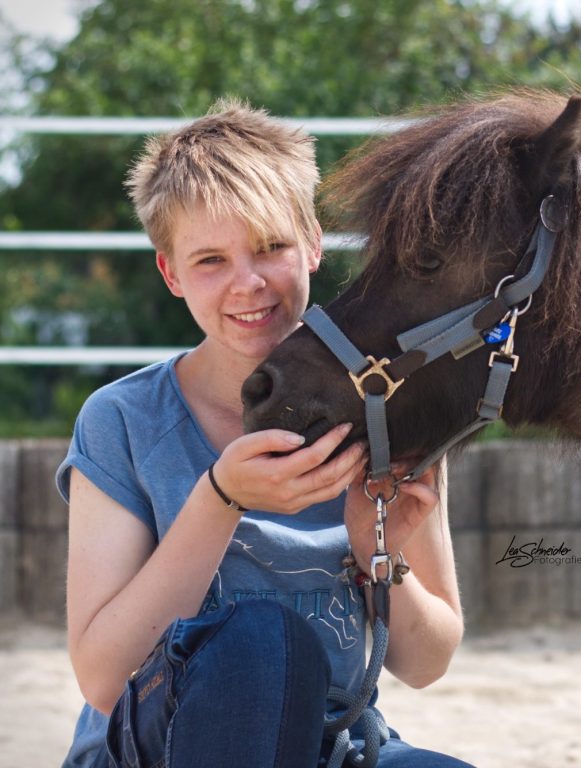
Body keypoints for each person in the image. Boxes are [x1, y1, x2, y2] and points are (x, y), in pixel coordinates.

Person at [56, 99, 470, 768]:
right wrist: (220, 498)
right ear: (171, 274)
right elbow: (104, 679)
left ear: (311, 243)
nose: (247, 283)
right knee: (258, 643)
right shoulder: (124, 421)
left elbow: (427, 663)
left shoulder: (391, 411)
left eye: (271, 246)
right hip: (159, 748)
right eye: (211, 260)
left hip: (335, 748)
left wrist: (375, 554)